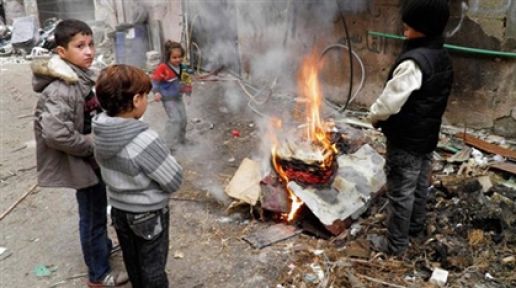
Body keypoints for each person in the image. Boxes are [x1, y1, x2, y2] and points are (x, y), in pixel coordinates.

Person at [32, 19, 128, 286]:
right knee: (93, 217)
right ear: (62, 52)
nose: (89, 51)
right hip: (82, 162)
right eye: (80, 46)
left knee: (97, 210)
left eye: (90, 44)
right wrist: (92, 143)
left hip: (92, 161)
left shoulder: (81, 76)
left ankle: (102, 249)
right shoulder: (61, 88)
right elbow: (55, 133)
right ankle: (99, 275)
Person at [368, 0, 453, 256]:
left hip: (405, 141)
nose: (404, 25)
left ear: (424, 27)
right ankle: (415, 227)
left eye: (410, 23)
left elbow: (389, 101)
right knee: (418, 186)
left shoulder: (413, 63)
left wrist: (374, 116)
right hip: (426, 139)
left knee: (400, 193)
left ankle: (396, 246)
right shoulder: (441, 56)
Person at [93, 64, 183, 288]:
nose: (147, 100)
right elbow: (173, 180)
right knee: (152, 268)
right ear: (135, 100)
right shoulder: (143, 139)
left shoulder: (101, 131)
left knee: (132, 262)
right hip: (148, 215)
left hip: (120, 211)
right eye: (145, 96)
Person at [151, 40, 192, 151]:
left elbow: (187, 82)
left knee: (183, 119)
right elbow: (155, 81)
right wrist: (156, 92)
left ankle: (181, 140)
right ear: (168, 57)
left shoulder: (184, 68)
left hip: (178, 97)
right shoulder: (162, 68)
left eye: (180, 57)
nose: (177, 60)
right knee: (175, 119)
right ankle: (167, 145)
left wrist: (188, 94)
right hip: (168, 99)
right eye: (174, 57)